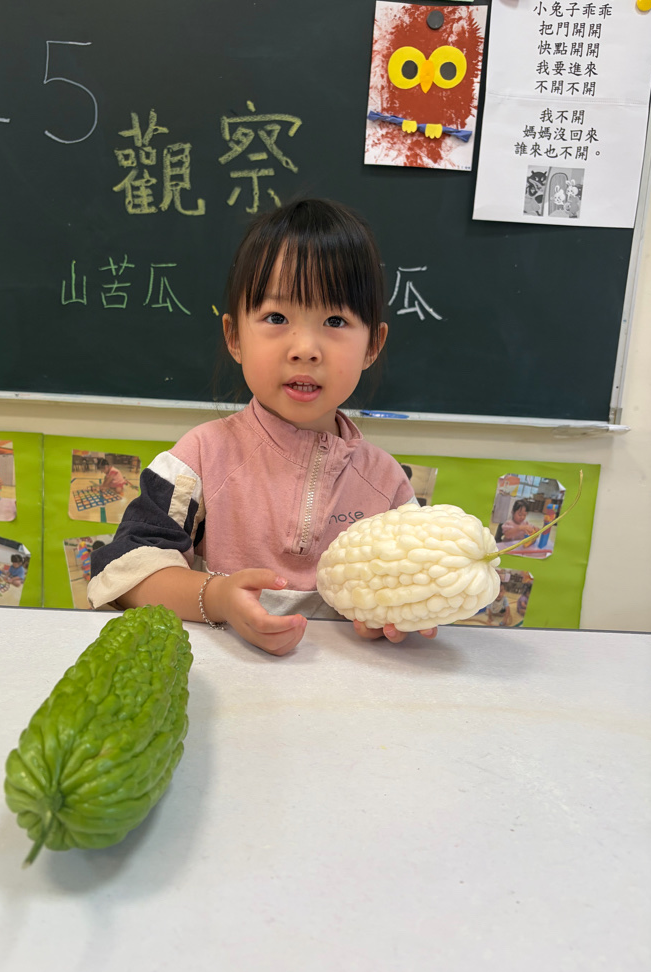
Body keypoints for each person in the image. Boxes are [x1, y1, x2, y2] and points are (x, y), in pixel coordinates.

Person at [88, 198, 437, 655]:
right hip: (221, 677)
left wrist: (398, 614)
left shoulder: (388, 487)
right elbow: (126, 569)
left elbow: (406, 591)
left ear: (373, 345)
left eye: (335, 320)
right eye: (277, 318)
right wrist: (217, 597)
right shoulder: (198, 459)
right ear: (234, 336)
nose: (305, 348)